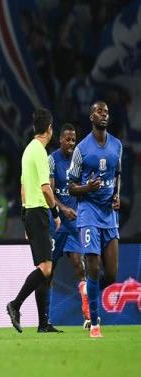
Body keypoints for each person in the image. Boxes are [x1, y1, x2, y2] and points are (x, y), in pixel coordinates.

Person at [68, 101, 122, 338]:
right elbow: (71, 187)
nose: (104, 115)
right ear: (91, 117)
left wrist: (117, 195)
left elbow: (117, 175)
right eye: (99, 112)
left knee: (111, 275)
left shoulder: (117, 145)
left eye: (106, 112)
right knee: (93, 267)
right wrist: (87, 188)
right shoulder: (81, 149)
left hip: (109, 214)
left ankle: (88, 294)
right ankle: (94, 322)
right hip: (88, 212)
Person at [6, 108, 61, 333]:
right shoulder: (40, 152)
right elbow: (45, 188)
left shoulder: (28, 150)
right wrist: (55, 213)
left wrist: (24, 219)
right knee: (46, 269)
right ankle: (15, 304)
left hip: (30, 212)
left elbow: (22, 188)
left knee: (44, 268)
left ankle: (43, 324)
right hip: (38, 211)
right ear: (50, 129)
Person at [46, 123, 88, 328]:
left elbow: (83, 188)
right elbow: (49, 192)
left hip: (73, 224)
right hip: (56, 222)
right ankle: (45, 317)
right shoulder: (52, 160)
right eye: (68, 139)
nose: (71, 143)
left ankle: (88, 315)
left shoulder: (79, 160)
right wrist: (63, 209)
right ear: (60, 139)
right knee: (49, 271)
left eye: (74, 140)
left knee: (80, 266)